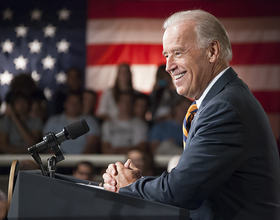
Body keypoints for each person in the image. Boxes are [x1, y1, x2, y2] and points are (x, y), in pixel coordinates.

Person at [102, 10, 280, 220]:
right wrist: (139, 183)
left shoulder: (224, 107)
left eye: (178, 53)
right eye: (166, 55)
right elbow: (191, 182)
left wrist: (131, 185)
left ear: (212, 51)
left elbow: (180, 192)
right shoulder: (221, 99)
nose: (168, 66)